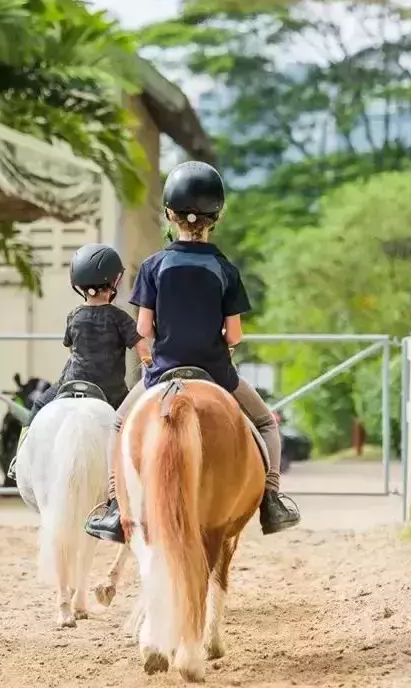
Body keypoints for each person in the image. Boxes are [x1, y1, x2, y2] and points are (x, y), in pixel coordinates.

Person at [84, 161, 301, 544]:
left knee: (119, 425)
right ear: (216, 216)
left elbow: (143, 330)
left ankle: (116, 506)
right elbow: (234, 334)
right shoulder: (225, 268)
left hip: (161, 374)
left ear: (169, 213)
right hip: (216, 373)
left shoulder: (153, 266)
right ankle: (271, 498)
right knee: (267, 422)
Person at [8, 244, 151, 477]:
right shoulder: (120, 317)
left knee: (38, 406)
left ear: (79, 286)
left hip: (72, 383)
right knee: (138, 418)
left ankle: (20, 458)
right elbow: (142, 347)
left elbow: (71, 350)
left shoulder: (74, 315)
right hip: (111, 391)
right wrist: (148, 362)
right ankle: (143, 466)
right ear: (113, 283)